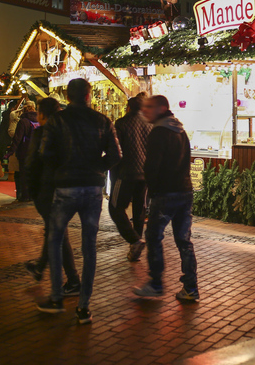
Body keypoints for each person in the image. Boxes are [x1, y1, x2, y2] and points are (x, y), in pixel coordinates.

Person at [36, 79, 121, 325]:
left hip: (65, 186)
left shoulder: (57, 120)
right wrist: (97, 169)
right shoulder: (103, 121)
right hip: (93, 187)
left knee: (54, 238)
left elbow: (45, 153)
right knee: (89, 246)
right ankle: (83, 306)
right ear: (88, 94)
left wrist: (61, 168)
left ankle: (56, 297)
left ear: (68, 95)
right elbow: (116, 155)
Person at [133, 95, 199, 302]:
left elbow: (152, 167)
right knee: (184, 240)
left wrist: (152, 192)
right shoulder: (180, 130)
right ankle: (190, 287)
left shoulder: (159, 133)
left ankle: (155, 283)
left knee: (153, 237)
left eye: (149, 107)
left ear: (162, 108)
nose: (145, 111)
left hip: (165, 194)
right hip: (184, 191)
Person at [24, 97, 81, 295]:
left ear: (42, 114)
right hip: (70, 188)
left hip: (49, 190)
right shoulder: (70, 131)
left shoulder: (42, 132)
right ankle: (40, 267)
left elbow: (32, 163)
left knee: (58, 234)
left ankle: (72, 282)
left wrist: (32, 191)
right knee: (55, 231)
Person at [110, 94, 151, 261]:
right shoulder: (150, 124)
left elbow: (115, 149)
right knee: (139, 210)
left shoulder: (121, 123)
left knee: (115, 208)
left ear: (128, 108)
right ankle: (137, 243)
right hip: (144, 174)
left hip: (125, 173)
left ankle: (134, 240)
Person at [6, 101, 38, 202]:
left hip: (25, 152)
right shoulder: (39, 120)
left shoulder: (23, 121)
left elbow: (17, 138)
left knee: (23, 175)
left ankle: (25, 196)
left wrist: (10, 152)